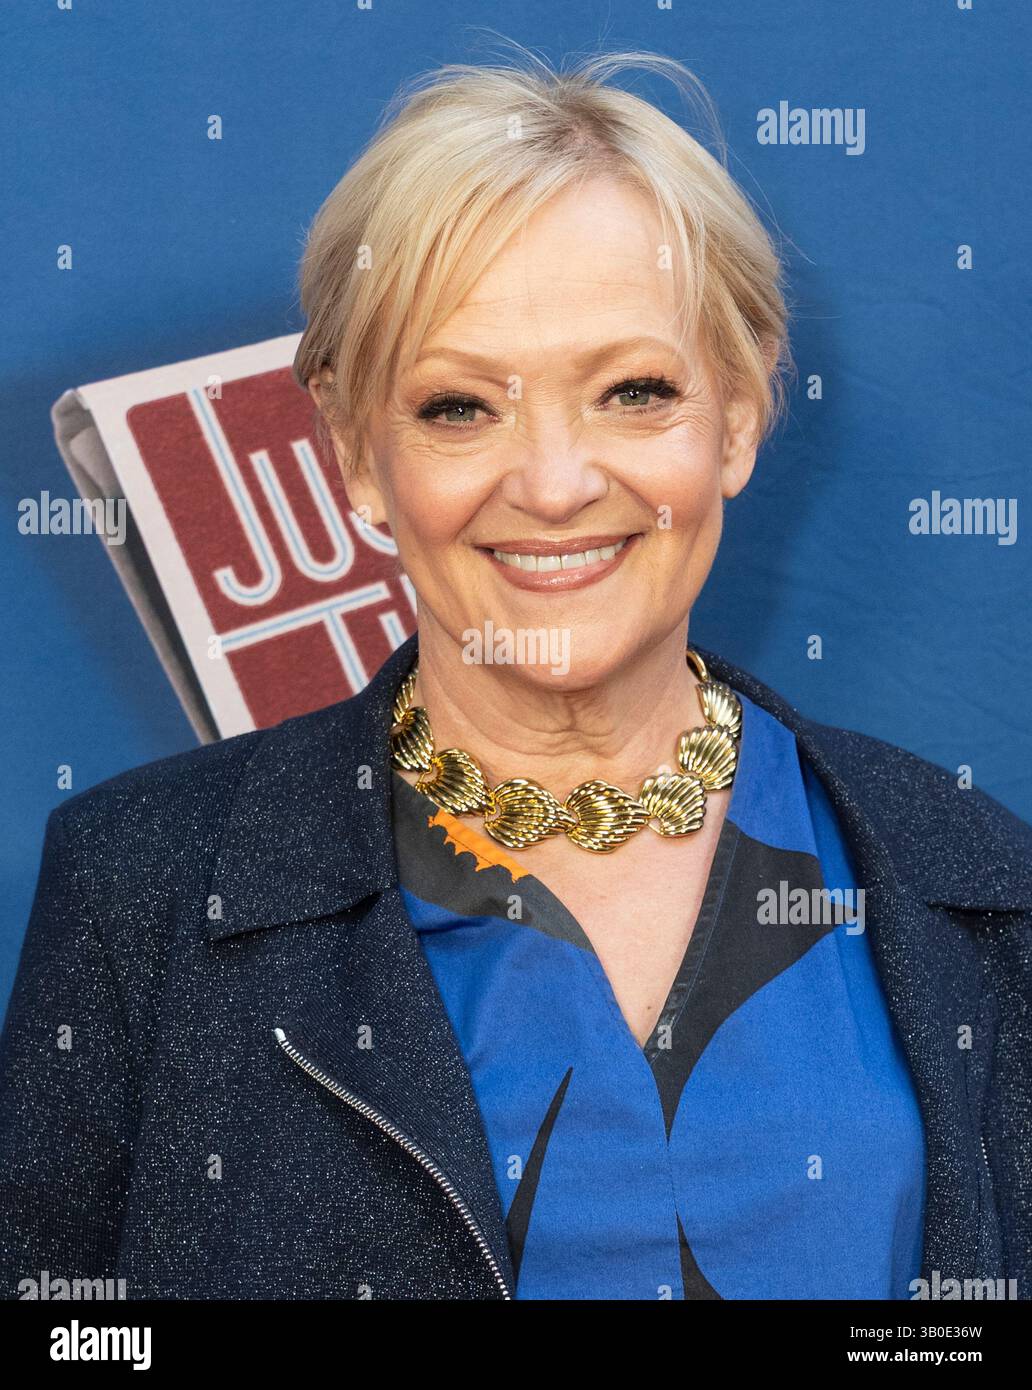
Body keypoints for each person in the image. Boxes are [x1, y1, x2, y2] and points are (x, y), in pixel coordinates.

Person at [2, 46, 1030, 1302]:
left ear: (743, 413)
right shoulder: (138, 890)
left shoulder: (973, 879)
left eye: (634, 391)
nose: (552, 484)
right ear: (355, 451)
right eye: (458, 407)